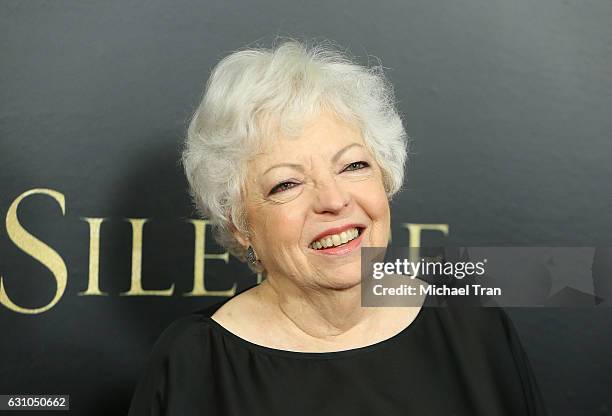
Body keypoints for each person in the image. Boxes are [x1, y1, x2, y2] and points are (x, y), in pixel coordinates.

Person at [127, 38, 548, 415]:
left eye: (353, 165)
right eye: (287, 183)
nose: (333, 200)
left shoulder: (470, 325)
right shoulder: (196, 361)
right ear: (240, 225)